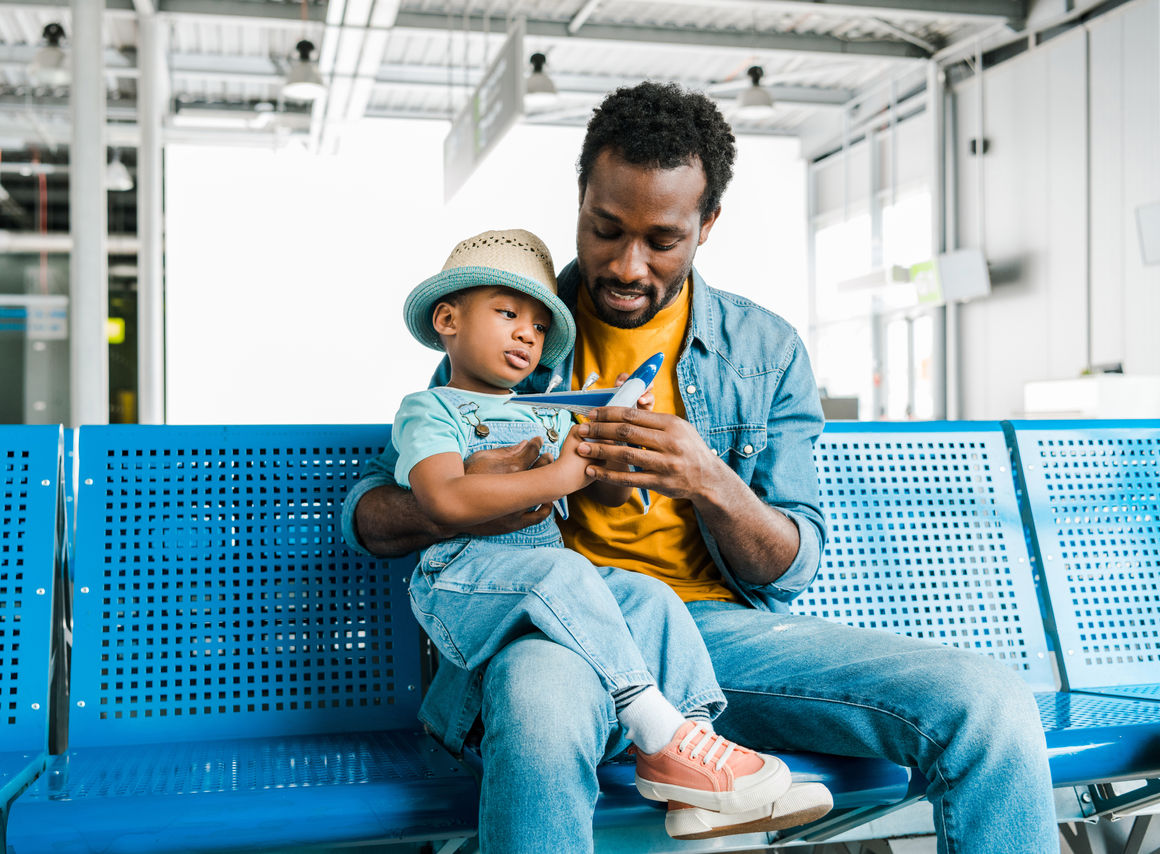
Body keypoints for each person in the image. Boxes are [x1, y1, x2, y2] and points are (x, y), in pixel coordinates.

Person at [344, 82, 1058, 853]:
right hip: (556, 634)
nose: (626, 264)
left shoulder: (765, 351)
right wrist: (485, 492)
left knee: (988, 702)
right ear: (581, 200)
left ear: (706, 225)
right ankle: (678, 754)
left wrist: (708, 478)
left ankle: (690, 757)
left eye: (661, 240)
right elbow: (382, 511)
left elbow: (792, 563)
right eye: (605, 228)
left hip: (715, 635)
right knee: (542, 710)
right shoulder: (510, 325)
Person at [390, 227, 815, 828]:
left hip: (546, 586)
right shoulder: (429, 409)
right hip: (462, 582)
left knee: (649, 596)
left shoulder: (544, 409)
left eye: (538, 326)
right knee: (564, 570)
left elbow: (609, 489)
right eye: (507, 313)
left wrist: (608, 432)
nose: (525, 335)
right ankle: (653, 724)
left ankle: (693, 775)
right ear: (448, 319)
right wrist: (560, 476)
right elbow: (444, 499)